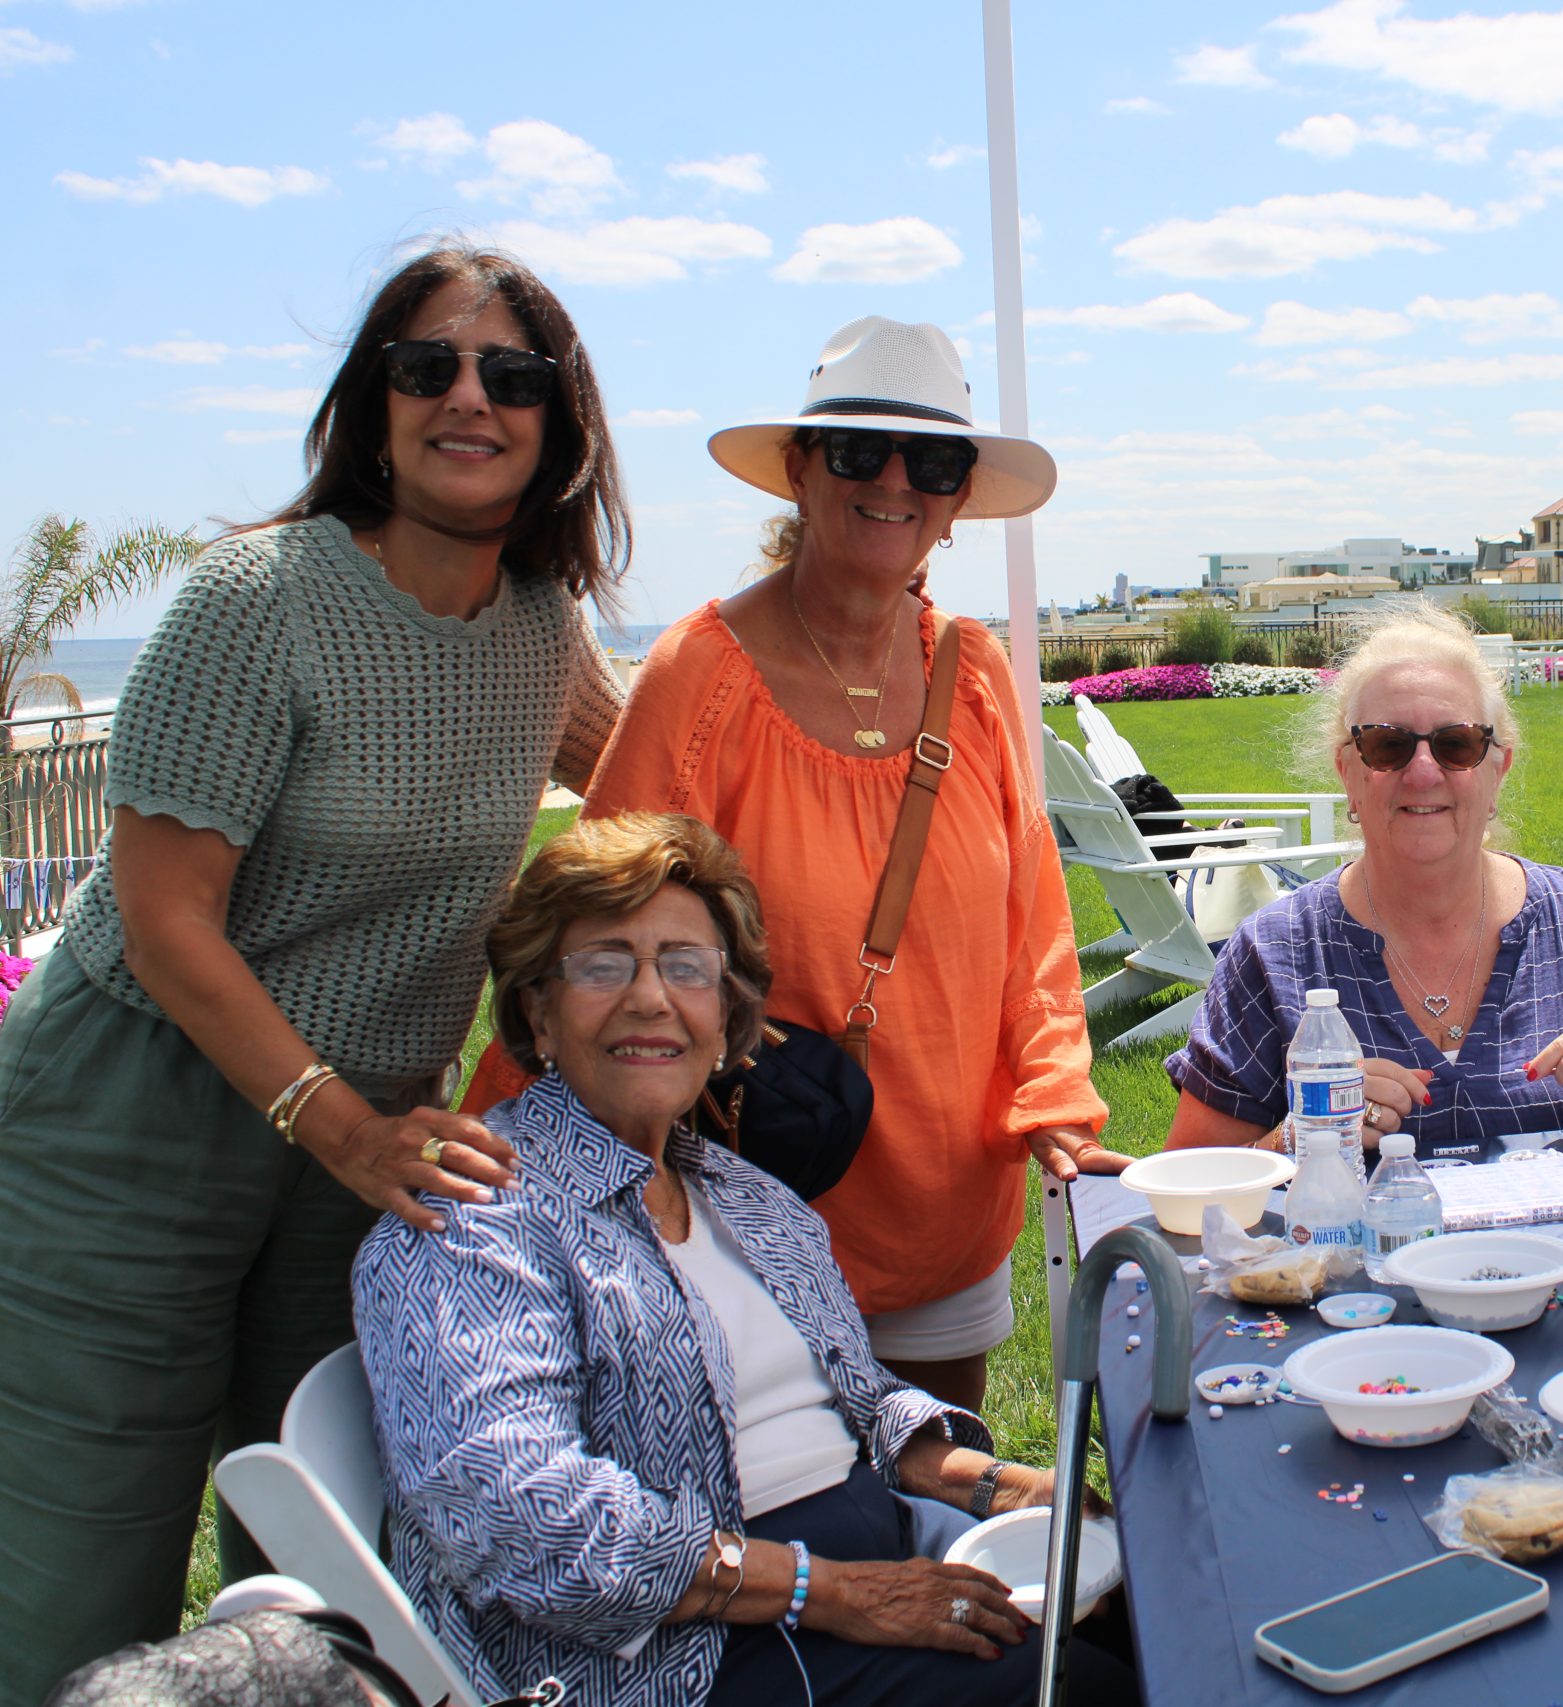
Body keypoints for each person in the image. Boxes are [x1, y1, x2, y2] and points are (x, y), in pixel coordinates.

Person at [0, 245, 628, 1700]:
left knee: (327, 1562)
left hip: (364, 1139)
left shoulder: (543, 633)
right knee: (85, 1569)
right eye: (426, 365)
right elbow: (164, 919)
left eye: (512, 374)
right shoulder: (258, 599)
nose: (468, 397)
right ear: (373, 403)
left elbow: (669, 780)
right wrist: (340, 1127)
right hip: (136, 1110)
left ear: (560, 425)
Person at [479, 317, 1120, 1413]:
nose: (895, 482)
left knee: (936, 1485)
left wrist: (1055, 1096)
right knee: (770, 1495)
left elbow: (1034, 924)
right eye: (859, 451)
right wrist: (496, 1146)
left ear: (959, 499)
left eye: (933, 462)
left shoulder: (973, 673)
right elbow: (588, 928)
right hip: (741, 1202)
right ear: (799, 471)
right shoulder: (702, 674)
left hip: (943, 1205)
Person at [357, 815, 1132, 1707]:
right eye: (603, 966)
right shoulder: (471, 1218)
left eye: (687, 967)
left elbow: (859, 1399)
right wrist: (831, 1591)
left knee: (1157, 1600)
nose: (651, 999)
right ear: (538, 1011)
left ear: (726, 1018)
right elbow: (525, 1520)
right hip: (678, 1658)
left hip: (858, 1571)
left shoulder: (744, 1195)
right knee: (1099, 1690)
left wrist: (994, 1484)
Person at [1163, 601, 1563, 1162]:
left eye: (1457, 744)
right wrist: (1298, 1138)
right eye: (1388, 745)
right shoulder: (1275, 952)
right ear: (1348, 772)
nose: (1424, 771)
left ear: (1497, 770)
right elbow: (1190, 1178)